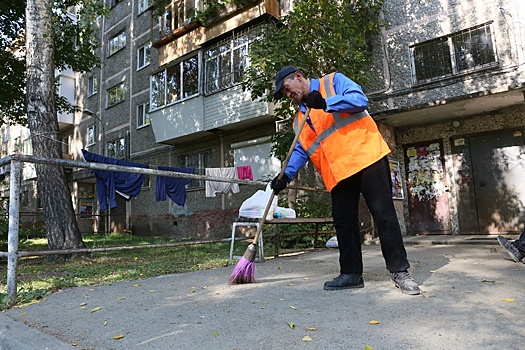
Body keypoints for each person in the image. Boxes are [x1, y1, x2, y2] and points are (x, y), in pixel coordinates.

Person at [270, 66, 421, 295]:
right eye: (284, 93)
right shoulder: (299, 119)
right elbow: (302, 150)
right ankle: (351, 273)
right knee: (344, 222)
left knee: (384, 215)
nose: (287, 95)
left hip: (367, 158)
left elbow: (359, 100)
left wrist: (325, 103)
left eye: (287, 89)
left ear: (298, 77)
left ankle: (400, 271)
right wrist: (285, 176)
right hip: (338, 172)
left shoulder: (333, 82)